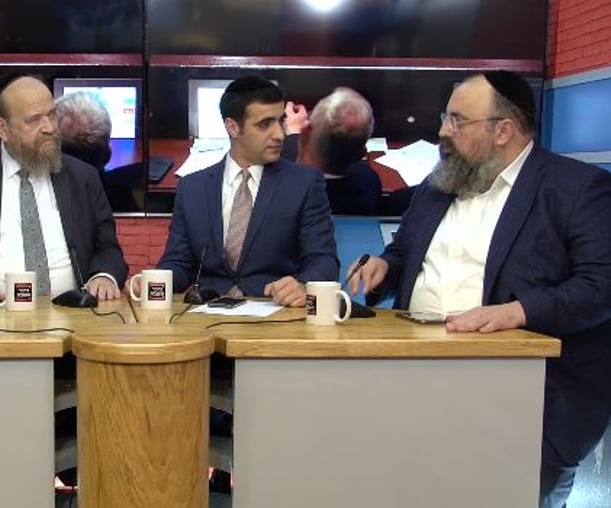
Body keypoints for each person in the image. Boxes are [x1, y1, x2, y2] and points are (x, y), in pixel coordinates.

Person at [347, 70, 611, 508]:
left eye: (457, 120)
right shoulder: (438, 186)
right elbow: (404, 252)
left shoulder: (576, 189)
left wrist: (516, 312)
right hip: (416, 385)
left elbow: (600, 286)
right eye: (445, 118)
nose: (442, 132)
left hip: (523, 403)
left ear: (503, 131)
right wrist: (384, 266)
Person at [0, 75, 127, 304]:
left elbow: (108, 249)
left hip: (72, 312)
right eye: (35, 120)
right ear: (3, 128)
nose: (50, 128)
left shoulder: (83, 177)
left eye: (52, 115)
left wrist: (103, 276)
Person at [150, 75, 339, 307]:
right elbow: (178, 263)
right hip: (208, 311)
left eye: (280, 121)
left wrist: (303, 284)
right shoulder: (192, 188)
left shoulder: (304, 184)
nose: (279, 134)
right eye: (264, 124)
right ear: (233, 127)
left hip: (275, 311)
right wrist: (153, 282)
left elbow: (324, 260)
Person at [283, 87, 382, 215]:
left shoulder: (279, 181)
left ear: (305, 134)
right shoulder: (368, 182)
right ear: (361, 155)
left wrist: (293, 132)